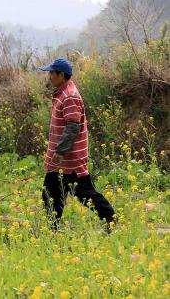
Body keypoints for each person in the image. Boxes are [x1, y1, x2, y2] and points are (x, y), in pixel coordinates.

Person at [39, 58, 116, 232]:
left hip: (69, 160)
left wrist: (60, 151)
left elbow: (73, 127)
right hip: (62, 160)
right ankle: (53, 229)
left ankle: (109, 216)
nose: (49, 76)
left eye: (52, 73)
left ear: (61, 75)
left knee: (84, 194)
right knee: (51, 193)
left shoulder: (70, 96)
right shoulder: (62, 92)